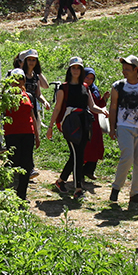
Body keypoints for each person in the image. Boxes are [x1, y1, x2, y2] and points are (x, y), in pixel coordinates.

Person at [107, 54, 138, 208]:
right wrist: (111, 127)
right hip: (124, 126)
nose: (124, 71)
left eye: (127, 69)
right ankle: (116, 187)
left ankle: (135, 193)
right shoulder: (118, 86)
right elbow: (113, 107)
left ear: (136, 70)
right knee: (127, 157)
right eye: (123, 68)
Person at [50, 57, 97, 196]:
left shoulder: (85, 87)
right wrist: (51, 126)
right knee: (78, 155)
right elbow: (57, 108)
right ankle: (78, 188)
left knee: (77, 155)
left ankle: (61, 180)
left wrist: (103, 111)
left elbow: (92, 105)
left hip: (83, 124)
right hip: (70, 124)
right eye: (73, 67)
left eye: (78, 68)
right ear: (69, 70)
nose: (76, 70)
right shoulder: (63, 87)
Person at [3, 69, 40, 199]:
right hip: (11, 133)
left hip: (27, 133)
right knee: (14, 161)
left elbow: (32, 116)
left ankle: (22, 194)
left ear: (24, 80)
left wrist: (37, 134)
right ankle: (11, 190)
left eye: (20, 79)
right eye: (15, 78)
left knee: (27, 164)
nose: (18, 81)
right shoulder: (5, 95)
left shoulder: (28, 96)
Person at [80, 66, 106, 182]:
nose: (89, 80)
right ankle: (80, 172)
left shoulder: (94, 89)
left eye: (91, 78)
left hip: (94, 122)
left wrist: (104, 99)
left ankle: (89, 170)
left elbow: (98, 105)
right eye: (87, 77)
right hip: (83, 121)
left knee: (96, 145)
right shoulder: (80, 88)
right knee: (85, 147)